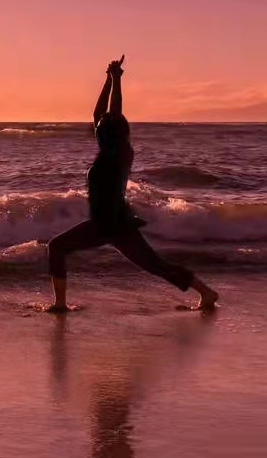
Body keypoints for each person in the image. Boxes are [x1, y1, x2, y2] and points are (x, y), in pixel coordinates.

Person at [46, 56, 219, 311]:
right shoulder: (111, 149)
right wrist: (107, 80)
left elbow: (114, 112)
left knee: (56, 247)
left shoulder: (116, 155)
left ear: (112, 133)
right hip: (115, 223)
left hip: (109, 223)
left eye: (102, 126)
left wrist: (117, 80)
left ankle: (60, 305)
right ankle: (206, 293)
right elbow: (99, 114)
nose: (97, 124)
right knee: (155, 265)